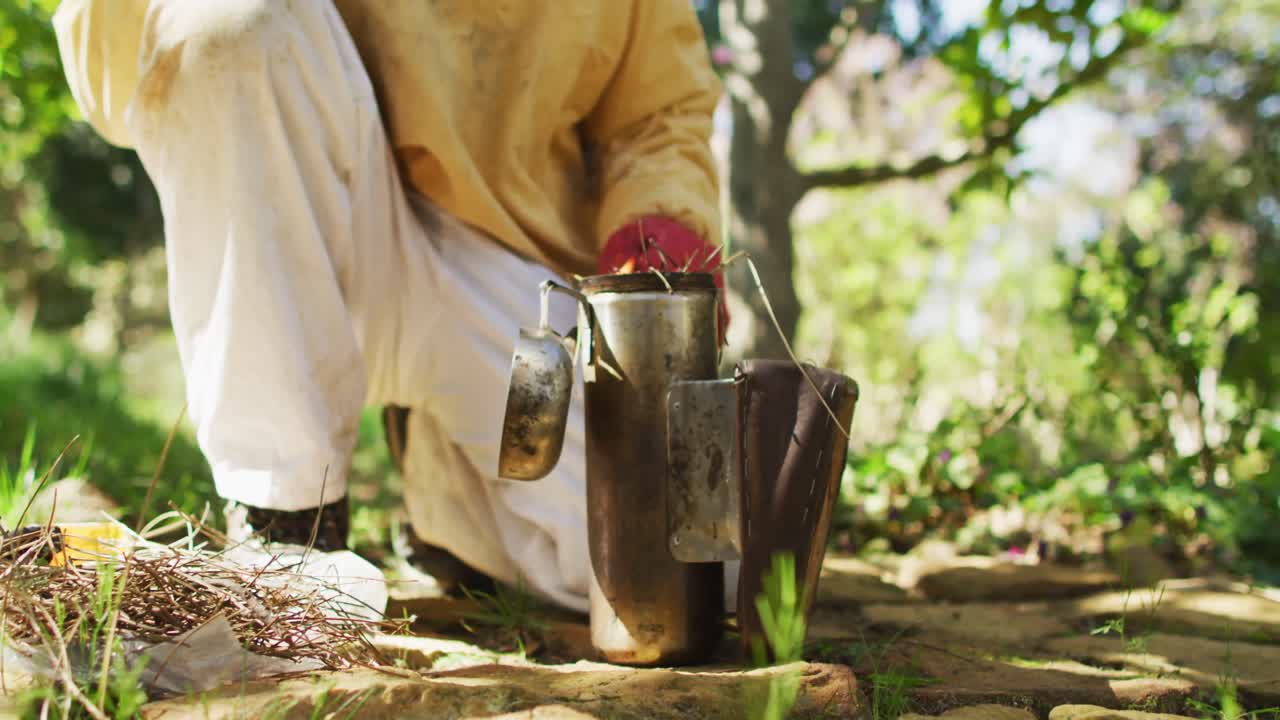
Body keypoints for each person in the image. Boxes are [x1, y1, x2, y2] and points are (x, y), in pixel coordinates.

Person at [52, 0, 727, 614]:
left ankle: (449, 501)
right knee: (235, 29)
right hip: (314, 231)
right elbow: (116, 77)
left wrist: (658, 234)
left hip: (504, 256)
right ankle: (286, 524)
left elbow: (657, 117)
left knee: (679, 564)